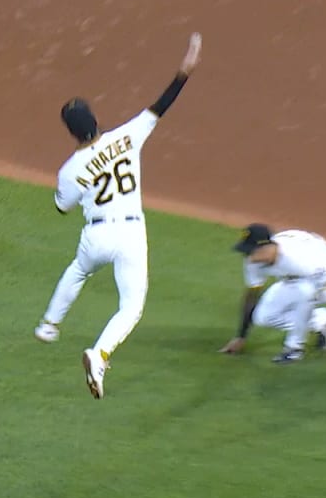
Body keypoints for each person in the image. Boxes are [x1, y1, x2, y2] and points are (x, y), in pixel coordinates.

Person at [34, 32, 203, 399]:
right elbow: (161, 106)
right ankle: (100, 354)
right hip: (131, 235)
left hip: (96, 236)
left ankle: (49, 325)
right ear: (95, 120)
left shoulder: (70, 169)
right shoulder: (127, 136)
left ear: (71, 132)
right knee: (131, 308)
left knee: (79, 270)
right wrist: (184, 70)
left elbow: (62, 207)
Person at [218, 223, 326, 363]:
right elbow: (251, 296)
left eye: (251, 251)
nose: (248, 257)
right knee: (262, 317)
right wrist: (241, 337)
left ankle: (294, 349)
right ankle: (321, 321)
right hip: (294, 279)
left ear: (267, 246)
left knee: (305, 292)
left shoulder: (299, 259)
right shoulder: (254, 261)